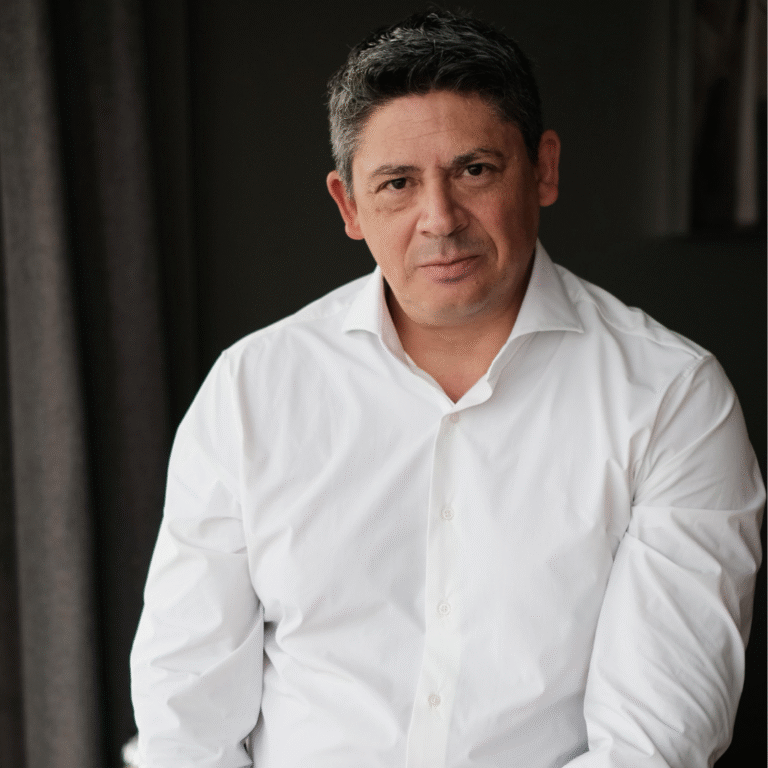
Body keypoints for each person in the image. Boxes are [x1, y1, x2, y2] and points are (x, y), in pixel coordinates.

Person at [130, 10, 764, 768]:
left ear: (543, 169)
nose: (439, 219)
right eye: (398, 183)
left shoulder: (672, 398)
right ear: (349, 205)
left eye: (475, 170)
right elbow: (184, 714)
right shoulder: (251, 391)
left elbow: (653, 743)